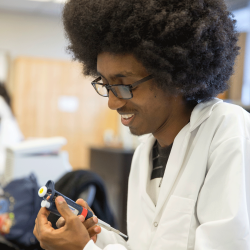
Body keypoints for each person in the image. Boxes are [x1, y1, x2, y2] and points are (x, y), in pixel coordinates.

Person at [33, 0, 250, 249]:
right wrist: (93, 235)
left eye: (124, 85)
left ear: (174, 75)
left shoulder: (227, 130)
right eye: (105, 85)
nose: (112, 103)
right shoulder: (144, 154)